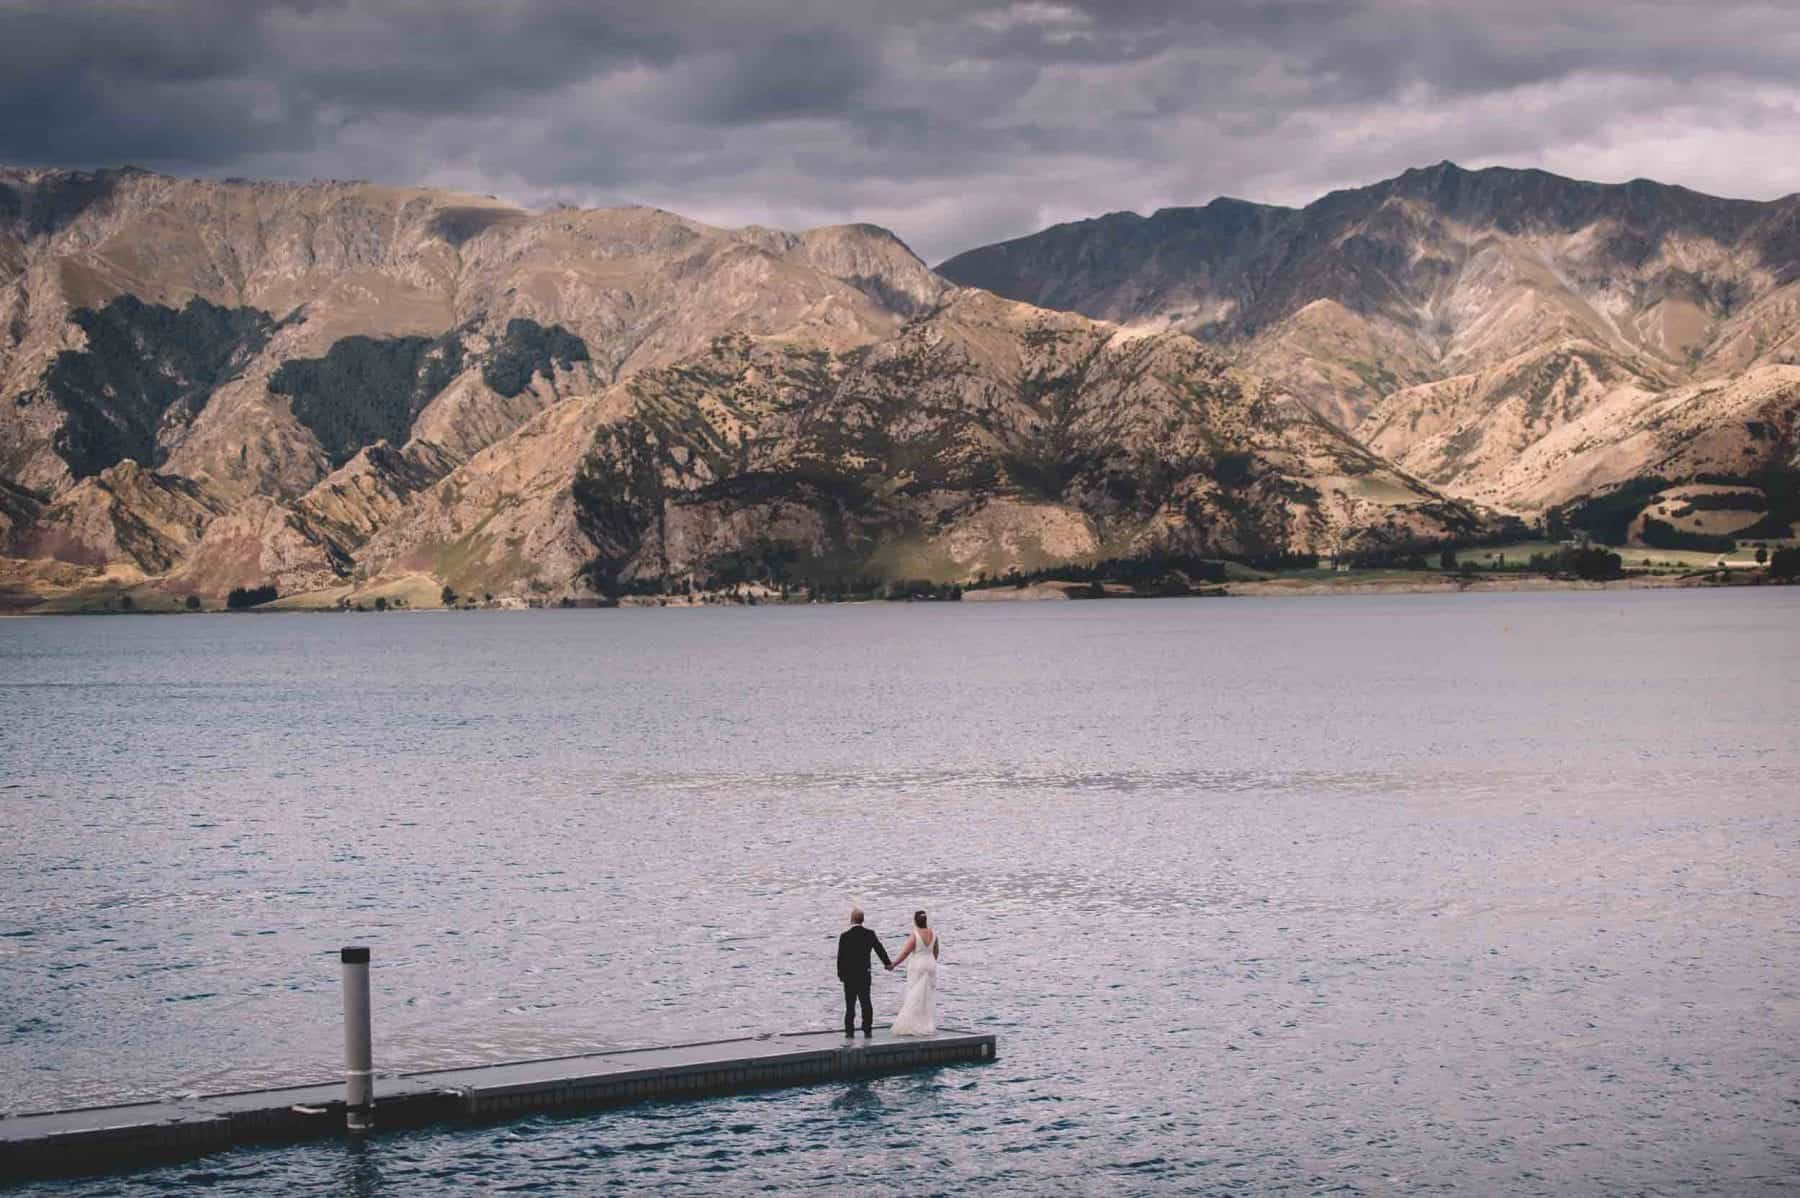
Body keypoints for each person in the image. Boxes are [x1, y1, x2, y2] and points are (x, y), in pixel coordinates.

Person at [836, 907, 892, 1037]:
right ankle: (867, 1028)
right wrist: (887, 963)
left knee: (850, 1005)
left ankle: (849, 1031)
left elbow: (841, 958)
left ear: (851, 920)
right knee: (866, 1002)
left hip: (849, 976)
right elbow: (879, 949)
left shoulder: (845, 936)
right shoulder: (870, 934)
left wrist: (840, 974)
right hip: (864, 974)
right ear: (863, 920)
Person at [889, 909, 940, 1036]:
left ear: (915, 921)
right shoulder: (934, 934)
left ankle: (913, 1024)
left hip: (918, 965)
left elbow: (906, 952)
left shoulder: (915, 935)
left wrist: (894, 964)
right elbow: (936, 952)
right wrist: (931, 961)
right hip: (930, 963)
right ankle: (927, 1024)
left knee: (914, 994)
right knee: (927, 995)